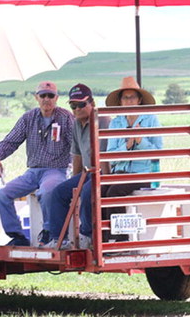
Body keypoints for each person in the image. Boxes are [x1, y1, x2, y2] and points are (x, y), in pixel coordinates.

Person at [0, 81, 74, 246]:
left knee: (48, 191)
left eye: (50, 96)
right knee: (1, 194)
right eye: (43, 95)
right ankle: (17, 236)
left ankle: (49, 231)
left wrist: (75, 168)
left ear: (57, 98)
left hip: (56, 170)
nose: (46, 99)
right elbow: (11, 141)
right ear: (37, 97)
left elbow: (76, 146)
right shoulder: (28, 118)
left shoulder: (66, 118)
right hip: (33, 172)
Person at [44, 83, 109, 249]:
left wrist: (103, 179)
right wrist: (74, 182)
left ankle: (88, 235)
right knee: (59, 192)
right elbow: (78, 156)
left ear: (92, 104)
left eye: (81, 104)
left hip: (103, 172)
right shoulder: (76, 125)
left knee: (88, 191)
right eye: (73, 106)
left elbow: (106, 158)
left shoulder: (104, 121)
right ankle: (59, 239)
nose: (77, 109)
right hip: (88, 172)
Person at [103, 76, 163, 242]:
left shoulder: (151, 120)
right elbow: (110, 155)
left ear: (139, 100)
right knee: (98, 190)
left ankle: (120, 240)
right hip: (120, 172)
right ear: (120, 101)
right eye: (125, 98)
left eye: (132, 97)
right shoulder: (116, 123)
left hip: (144, 173)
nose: (129, 101)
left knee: (114, 192)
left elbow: (158, 151)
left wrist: (140, 141)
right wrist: (127, 146)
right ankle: (103, 237)